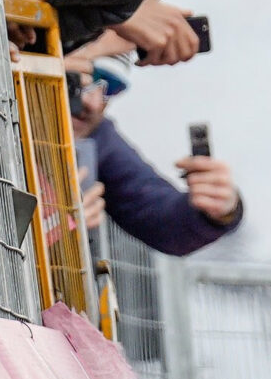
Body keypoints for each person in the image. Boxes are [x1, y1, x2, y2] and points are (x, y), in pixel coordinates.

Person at [69, 67, 242, 256]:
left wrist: (216, 207)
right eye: (78, 85)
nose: (93, 103)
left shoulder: (98, 138)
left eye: (106, 89)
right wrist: (56, 225)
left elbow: (158, 213)